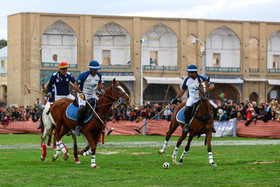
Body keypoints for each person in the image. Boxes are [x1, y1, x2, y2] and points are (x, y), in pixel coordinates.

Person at [171, 65, 217, 133]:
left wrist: (207, 89)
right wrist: (176, 97)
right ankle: (186, 124)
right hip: (192, 98)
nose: (190, 74)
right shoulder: (187, 80)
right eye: (189, 73)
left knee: (215, 107)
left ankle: (212, 124)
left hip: (202, 98)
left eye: (191, 72)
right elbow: (183, 90)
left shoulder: (201, 78)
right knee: (187, 109)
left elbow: (212, 85)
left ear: (195, 72)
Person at [37, 61, 77, 129]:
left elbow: (75, 83)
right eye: (63, 69)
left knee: (78, 103)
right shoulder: (54, 76)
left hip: (68, 95)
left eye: (66, 69)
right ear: (60, 69)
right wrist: (49, 93)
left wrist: (79, 89)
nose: (65, 70)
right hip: (58, 96)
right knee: (46, 109)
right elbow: (49, 86)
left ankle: (77, 123)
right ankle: (42, 123)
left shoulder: (69, 75)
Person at [74, 60, 103, 136]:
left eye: (97, 69)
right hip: (83, 94)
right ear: (90, 69)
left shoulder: (99, 75)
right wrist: (80, 93)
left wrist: (101, 90)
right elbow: (75, 85)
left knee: (101, 105)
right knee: (82, 108)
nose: (96, 71)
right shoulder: (84, 75)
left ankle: (100, 125)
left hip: (92, 94)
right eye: (94, 70)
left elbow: (100, 83)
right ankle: (78, 126)